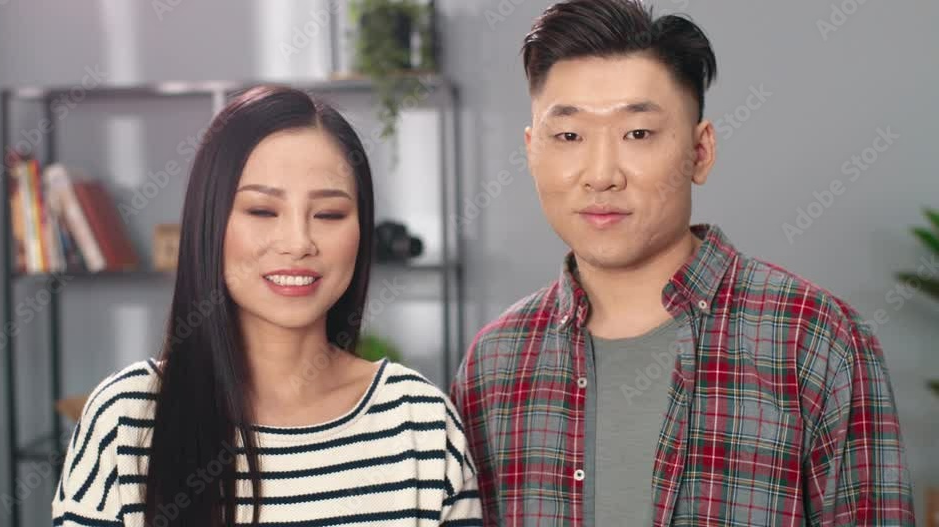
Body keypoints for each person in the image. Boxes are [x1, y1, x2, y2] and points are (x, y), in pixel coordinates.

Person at [450, 1, 915, 525]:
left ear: (700, 151)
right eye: (569, 136)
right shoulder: (493, 365)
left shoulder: (816, 341)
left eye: (638, 134)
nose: (601, 175)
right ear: (532, 151)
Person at [52, 86, 482, 526]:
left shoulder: (421, 424)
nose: (298, 243)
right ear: (210, 222)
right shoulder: (126, 420)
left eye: (329, 214)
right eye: (262, 211)